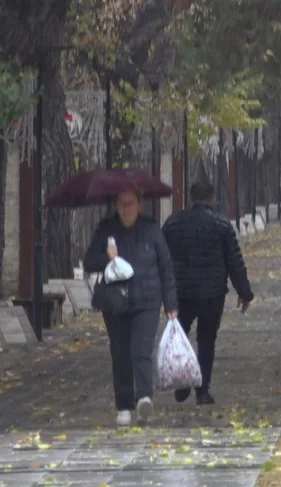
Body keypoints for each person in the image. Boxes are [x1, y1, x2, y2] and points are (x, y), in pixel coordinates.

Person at [84, 190, 178, 427]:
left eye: (130, 203)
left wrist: (171, 304)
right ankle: (124, 405)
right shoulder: (106, 230)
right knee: (120, 353)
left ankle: (144, 397)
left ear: (140, 204)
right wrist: (108, 257)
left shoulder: (152, 230)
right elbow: (89, 262)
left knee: (141, 350)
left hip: (147, 300)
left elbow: (166, 268)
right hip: (115, 301)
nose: (126, 209)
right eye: (121, 204)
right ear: (116, 205)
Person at [162, 181, 254, 405]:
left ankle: (182, 380)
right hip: (211, 294)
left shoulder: (173, 223)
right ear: (212, 199)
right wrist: (244, 293)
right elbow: (234, 261)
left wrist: (162, 290)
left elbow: (162, 258)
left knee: (180, 336)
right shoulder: (221, 224)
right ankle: (202, 390)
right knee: (206, 340)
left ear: (191, 198)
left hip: (181, 291)